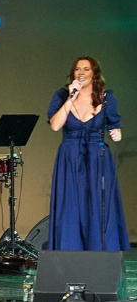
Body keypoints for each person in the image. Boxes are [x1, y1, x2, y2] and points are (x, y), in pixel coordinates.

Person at [47, 56, 127, 251]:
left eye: (86, 69)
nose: (81, 73)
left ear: (94, 74)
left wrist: (117, 133)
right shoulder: (62, 95)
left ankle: (100, 250)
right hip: (69, 157)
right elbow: (56, 126)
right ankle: (69, 249)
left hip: (97, 157)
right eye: (77, 69)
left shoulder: (106, 98)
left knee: (97, 204)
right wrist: (70, 98)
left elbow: (114, 127)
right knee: (70, 205)